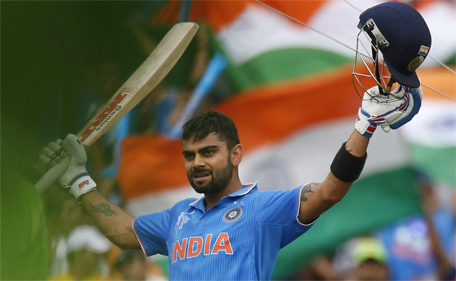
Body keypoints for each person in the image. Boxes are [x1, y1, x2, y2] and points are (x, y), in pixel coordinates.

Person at [39, 2, 431, 280]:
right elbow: (124, 232)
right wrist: (78, 181)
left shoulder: (263, 209)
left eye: (208, 152)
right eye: (190, 155)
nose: (197, 162)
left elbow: (329, 192)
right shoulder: (178, 218)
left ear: (237, 154)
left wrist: (363, 128)